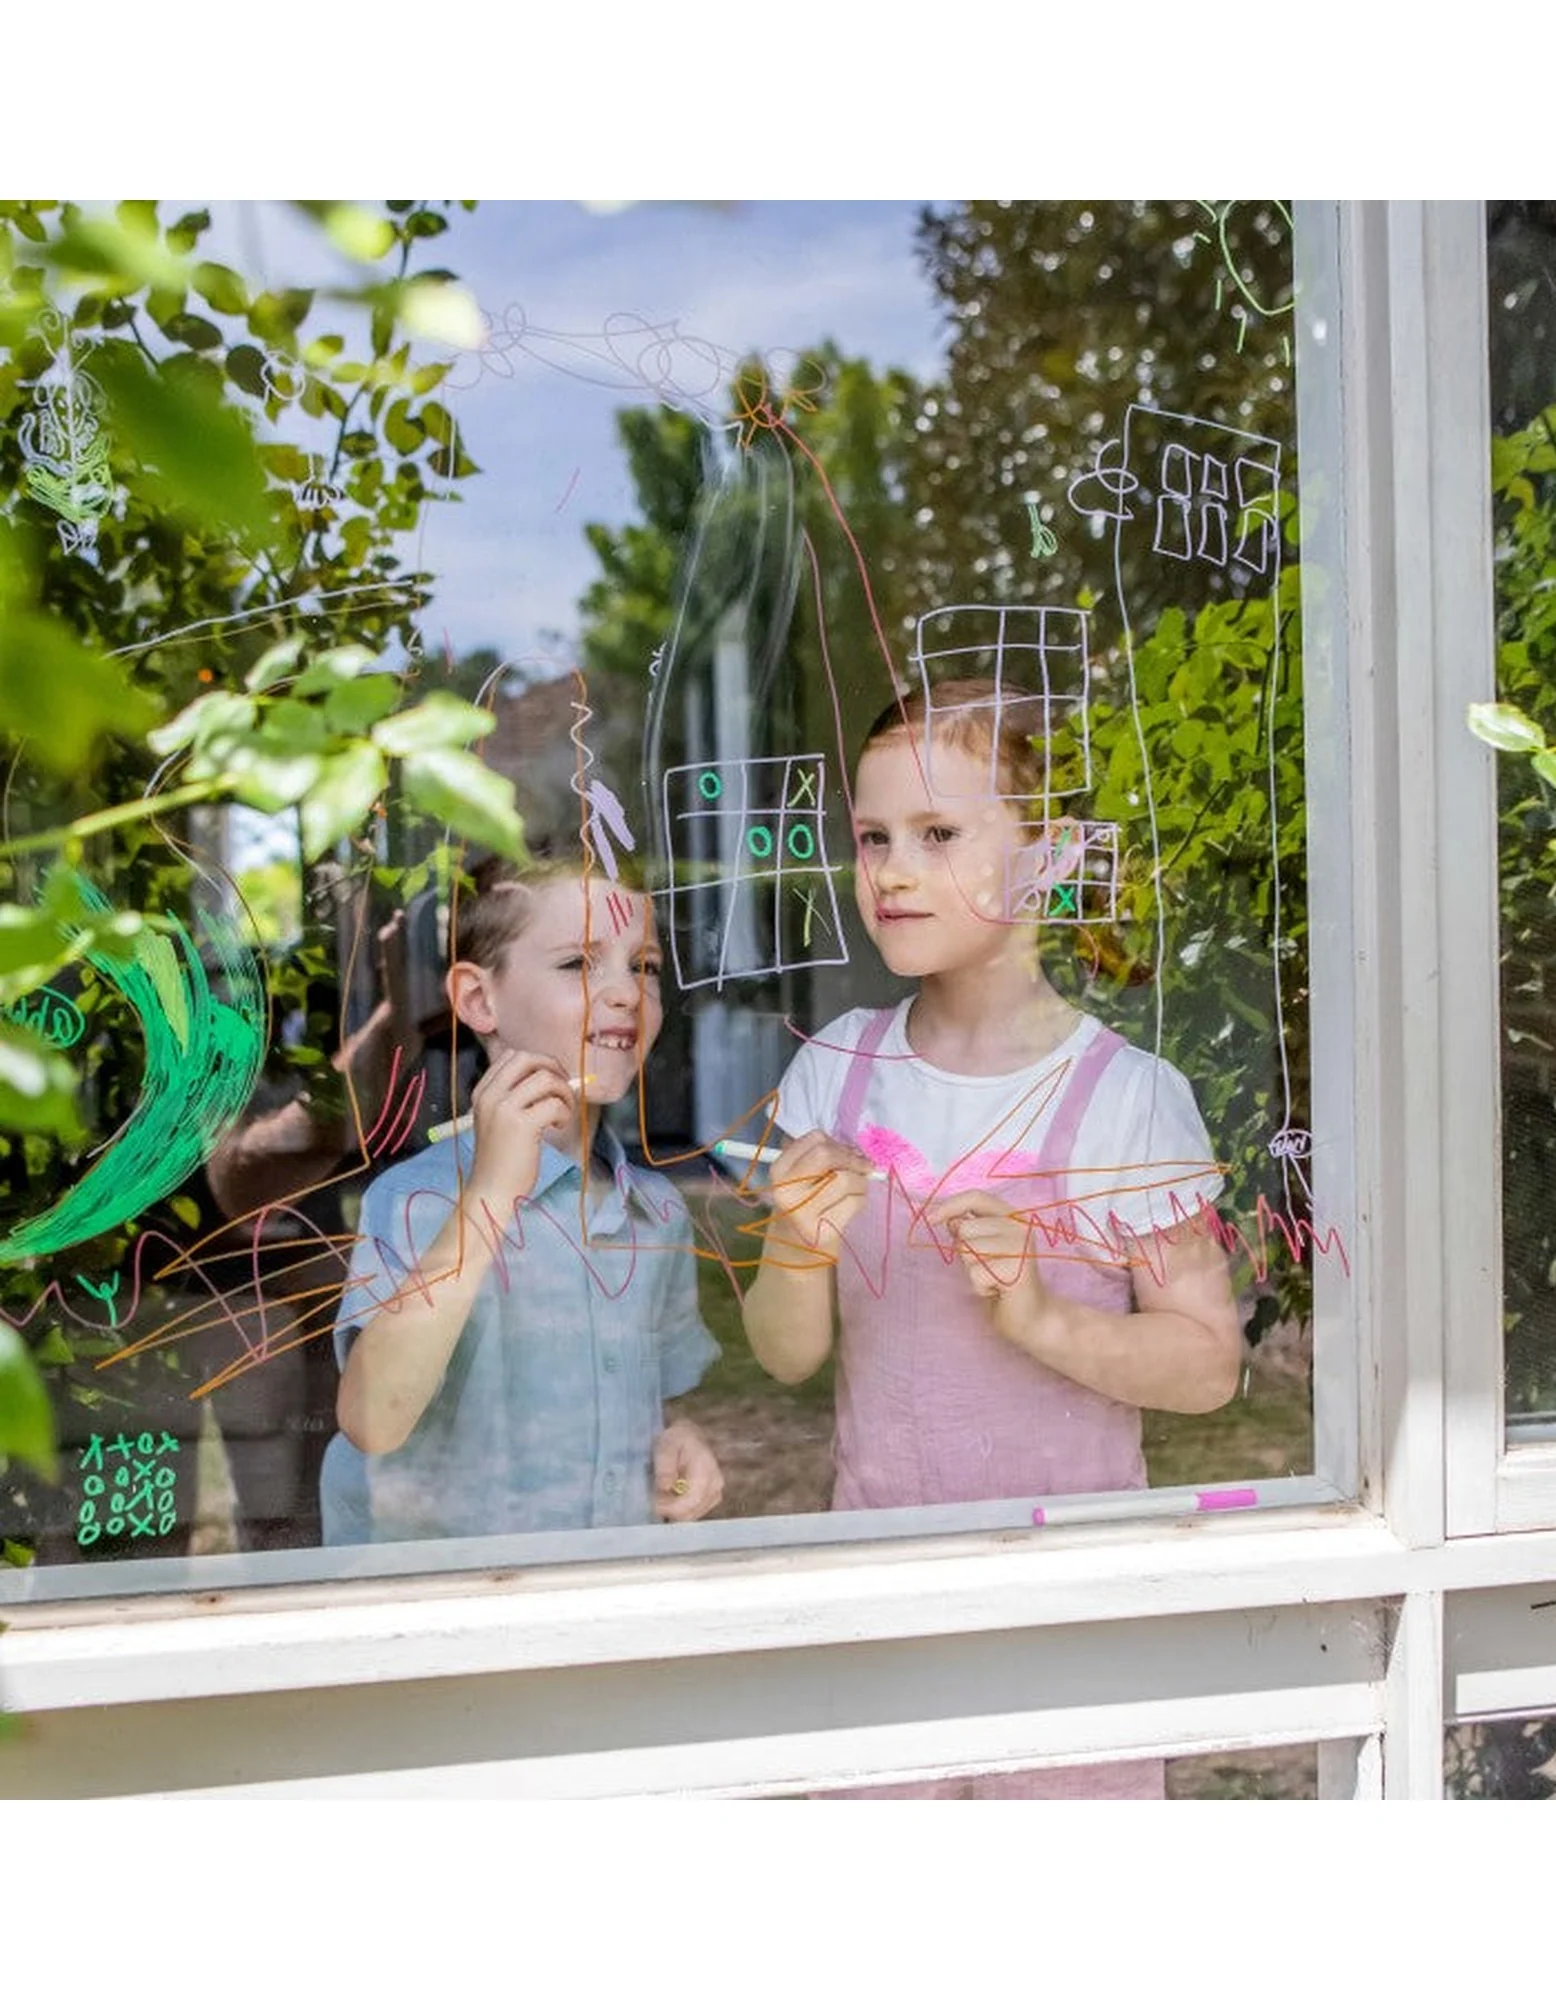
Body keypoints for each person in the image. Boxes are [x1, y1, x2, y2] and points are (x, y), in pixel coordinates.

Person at [741, 677, 1241, 1798]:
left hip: (1070, 1611)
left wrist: (1034, 1313)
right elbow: (784, 1353)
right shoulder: (835, 1070)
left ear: (1050, 857)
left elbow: (1207, 1365)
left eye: (937, 833)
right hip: (878, 1595)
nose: (893, 870)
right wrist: (795, 1244)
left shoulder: (1125, 1095)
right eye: (872, 837)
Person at [321, 852, 724, 1546]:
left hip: (598, 1605)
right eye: (579, 964)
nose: (626, 991)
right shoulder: (416, 1201)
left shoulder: (656, 1213)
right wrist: (490, 1197)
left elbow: (657, 1400)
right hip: (445, 1621)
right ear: (480, 1001)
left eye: (644, 965)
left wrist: (677, 1441)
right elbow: (372, 1419)